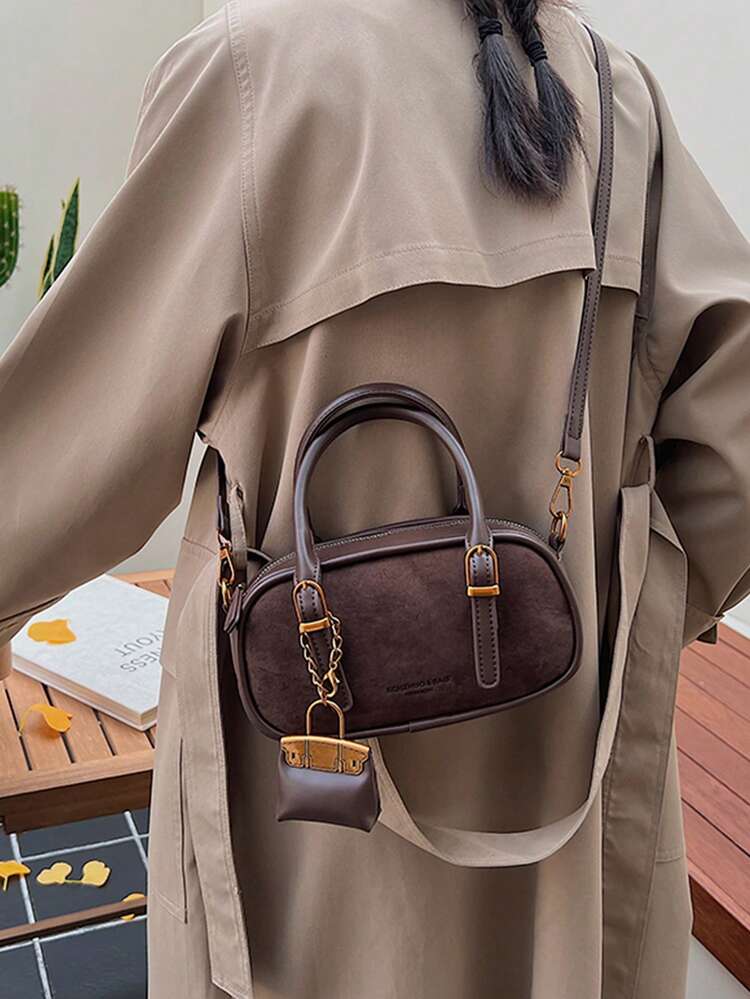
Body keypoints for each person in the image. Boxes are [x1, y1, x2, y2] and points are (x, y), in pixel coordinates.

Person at [1, 1, 749, 996]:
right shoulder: (618, 100)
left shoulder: (250, 77)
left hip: (304, 808)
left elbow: (68, 459)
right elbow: (736, 444)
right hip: (560, 818)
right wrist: (598, 612)